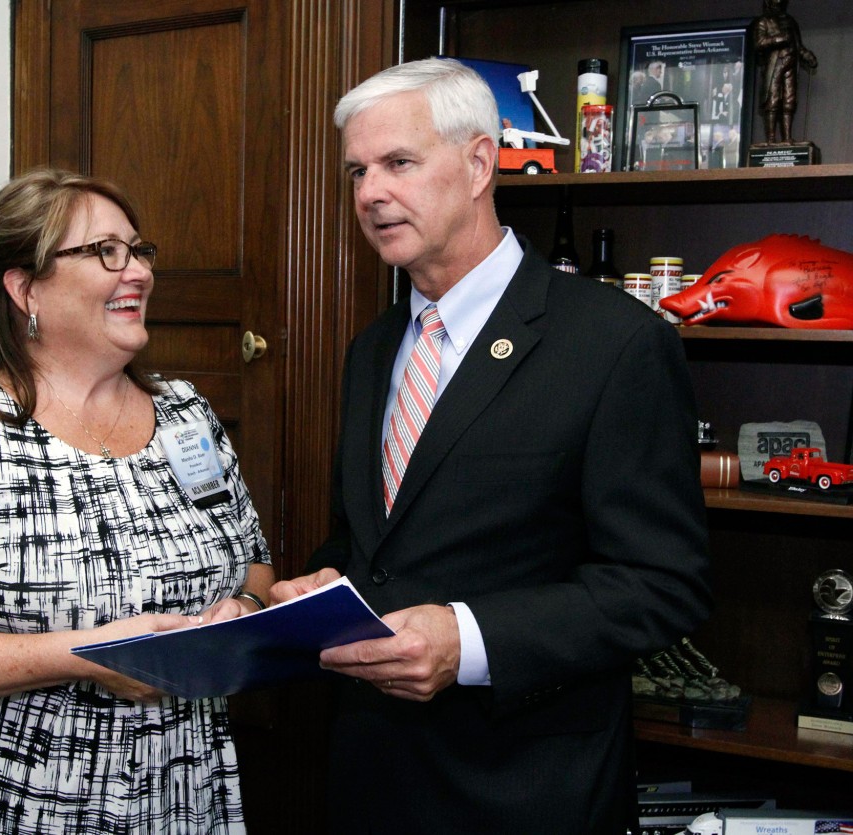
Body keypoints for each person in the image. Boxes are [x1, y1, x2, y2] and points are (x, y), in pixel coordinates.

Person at [270, 58, 711, 834]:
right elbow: (378, 537)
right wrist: (326, 579)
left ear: (479, 164)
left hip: (524, 788)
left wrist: (467, 638)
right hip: (370, 775)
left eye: (398, 163)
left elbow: (660, 584)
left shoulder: (613, 344)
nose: (370, 193)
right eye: (357, 171)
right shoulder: (373, 349)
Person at [0, 168, 274, 834]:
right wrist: (90, 652)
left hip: (181, 792)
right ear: (26, 288)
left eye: (138, 250)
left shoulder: (186, 414)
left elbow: (252, 560)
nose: (135, 270)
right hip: (12, 804)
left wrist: (242, 608)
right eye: (105, 251)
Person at [753, 0, 817, 144]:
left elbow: (798, 45)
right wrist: (779, 39)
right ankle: (771, 139)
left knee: (789, 100)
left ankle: (787, 138)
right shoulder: (763, 21)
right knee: (772, 100)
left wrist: (807, 56)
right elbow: (759, 43)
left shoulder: (790, 21)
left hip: (790, 63)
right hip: (774, 64)